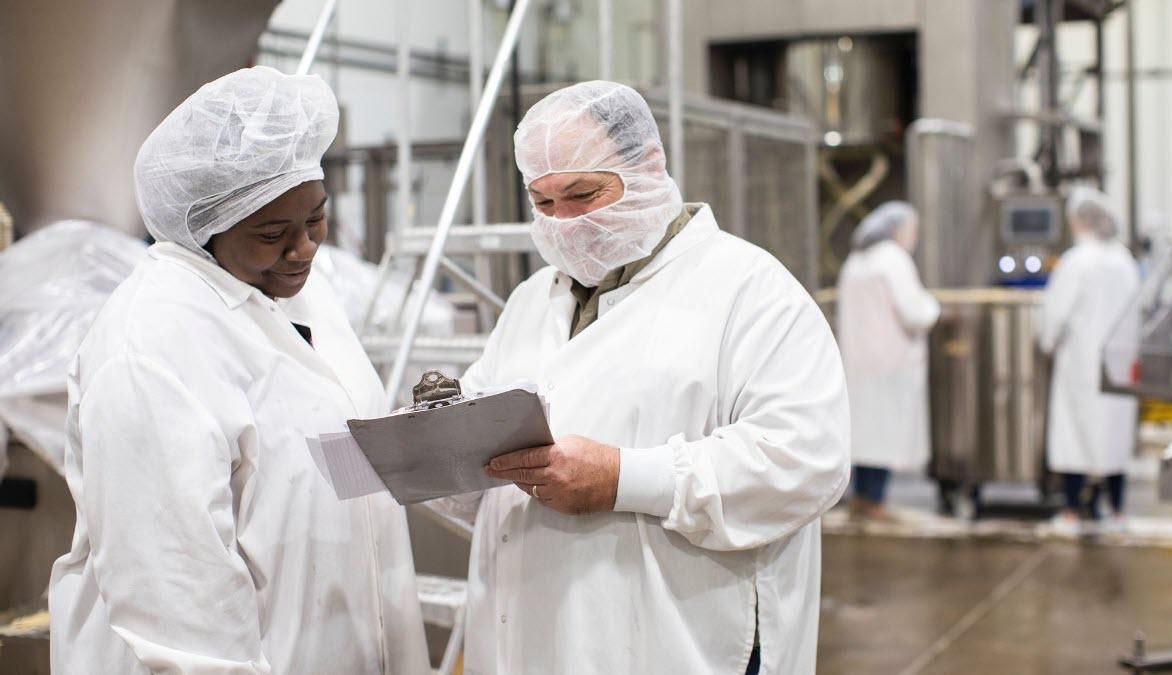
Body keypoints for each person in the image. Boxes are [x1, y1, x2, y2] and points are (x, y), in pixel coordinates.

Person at [436, 81, 850, 675]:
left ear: (649, 167)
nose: (565, 223)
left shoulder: (749, 290)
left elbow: (805, 459)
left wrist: (623, 478)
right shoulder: (533, 299)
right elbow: (487, 417)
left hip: (680, 639)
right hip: (538, 635)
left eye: (583, 194)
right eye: (544, 203)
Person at [48, 67, 429, 674]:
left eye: (316, 219)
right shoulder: (150, 346)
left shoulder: (295, 293)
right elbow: (176, 596)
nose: (305, 249)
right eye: (273, 233)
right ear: (202, 229)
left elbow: (326, 455)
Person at [1039, 186, 1140, 536]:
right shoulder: (1124, 260)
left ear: (1079, 220)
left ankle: (1071, 511)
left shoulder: (1076, 261)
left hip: (1080, 362)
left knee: (1075, 436)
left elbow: (1055, 316)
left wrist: (1048, 344)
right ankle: (1117, 510)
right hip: (1118, 365)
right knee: (1113, 438)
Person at [836, 201, 940, 520]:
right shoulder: (893, 259)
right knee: (882, 433)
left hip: (859, 361)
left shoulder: (855, 261)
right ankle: (874, 499)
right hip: (891, 363)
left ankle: (862, 496)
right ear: (897, 229)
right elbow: (913, 312)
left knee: (865, 433)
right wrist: (932, 306)